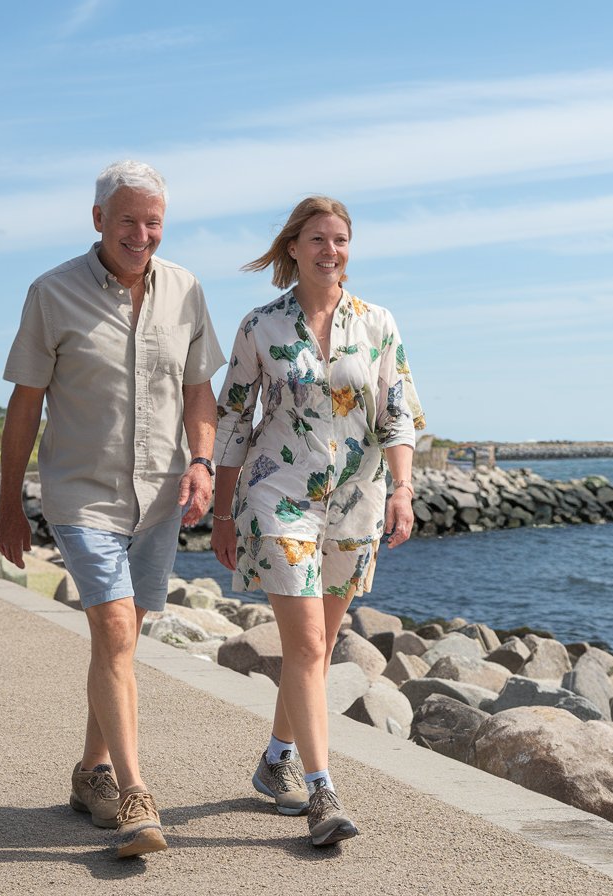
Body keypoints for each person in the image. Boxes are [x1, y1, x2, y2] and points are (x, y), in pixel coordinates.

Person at [0, 160, 226, 858]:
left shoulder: (185, 290)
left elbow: (198, 391)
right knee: (118, 631)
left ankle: (91, 771)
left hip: (159, 497)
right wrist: (10, 502)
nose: (142, 233)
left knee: (121, 639)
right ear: (99, 219)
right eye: (128, 219)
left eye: (153, 221)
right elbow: (26, 403)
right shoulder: (51, 293)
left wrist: (203, 461)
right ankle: (134, 796)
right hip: (81, 494)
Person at [210, 196, 425, 847]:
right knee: (305, 648)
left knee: (319, 650)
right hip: (280, 501)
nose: (330, 250)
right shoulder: (261, 327)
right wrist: (222, 511)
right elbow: (231, 422)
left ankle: (276, 758)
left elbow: (398, 414)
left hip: (356, 505)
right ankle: (321, 788)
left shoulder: (377, 323)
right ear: (293, 248)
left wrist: (404, 488)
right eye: (318, 239)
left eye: (340, 240)